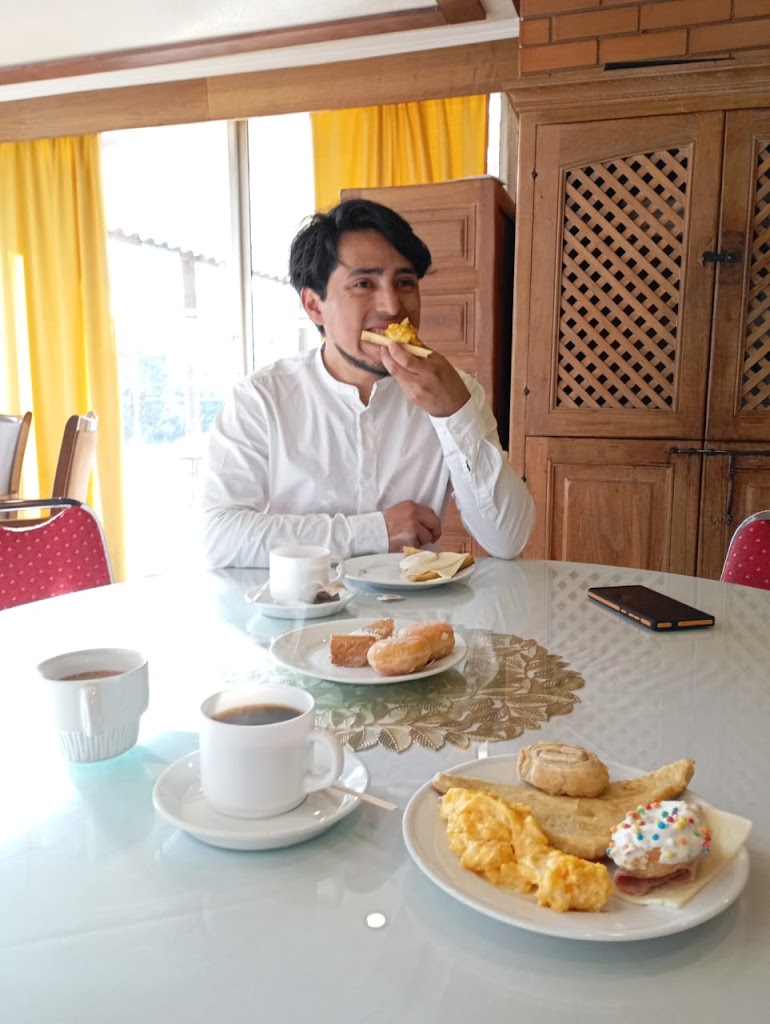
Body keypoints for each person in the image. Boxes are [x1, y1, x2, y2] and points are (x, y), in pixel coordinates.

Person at [200, 198, 534, 568]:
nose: (392, 306)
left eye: (404, 282)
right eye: (363, 284)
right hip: (297, 604)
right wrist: (375, 532)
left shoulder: (456, 391)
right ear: (314, 305)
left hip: (409, 606)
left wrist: (455, 415)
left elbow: (508, 539)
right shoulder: (261, 399)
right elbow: (218, 536)